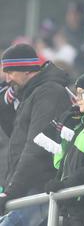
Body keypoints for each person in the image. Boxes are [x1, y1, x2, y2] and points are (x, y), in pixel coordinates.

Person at [0, 43, 71, 225]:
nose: (7, 80)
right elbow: (17, 138)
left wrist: (11, 191)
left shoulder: (48, 92)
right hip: (26, 186)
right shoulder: (31, 93)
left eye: (10, 72)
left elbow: (36, 148)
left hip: (39, 185)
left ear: (27, 71)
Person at [35, 69, 84, 226]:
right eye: (76, 94)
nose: (77, 99)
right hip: (71, 204)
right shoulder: (79, 123)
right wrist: (58, 182)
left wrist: (66, 184)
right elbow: (66, 163)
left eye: (82, 93)